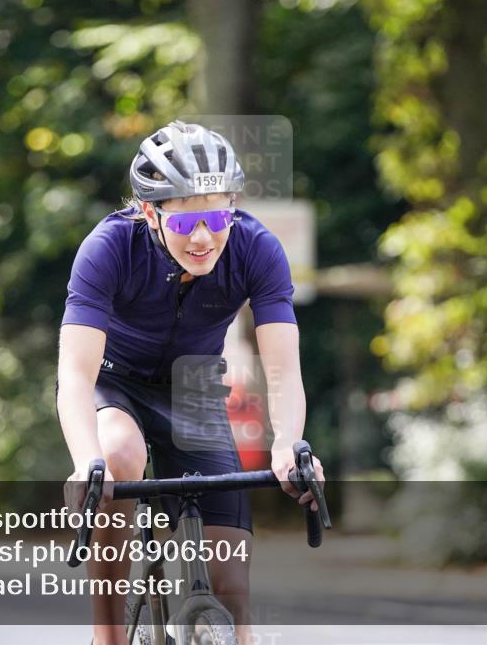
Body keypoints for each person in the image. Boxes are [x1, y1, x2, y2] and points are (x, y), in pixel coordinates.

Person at [56, 120, 325, 645]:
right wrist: (86, 460)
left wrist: (288, 445)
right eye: (184, 222)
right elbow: (74, 372)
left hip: (195, 391)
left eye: (217, 217)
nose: (203, 238)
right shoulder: (108, 247)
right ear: (150, 212)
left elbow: (283, 368)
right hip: (115, 385)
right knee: (118, 455)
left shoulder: (256, 248)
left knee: (233, 593)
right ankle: (108, 635)